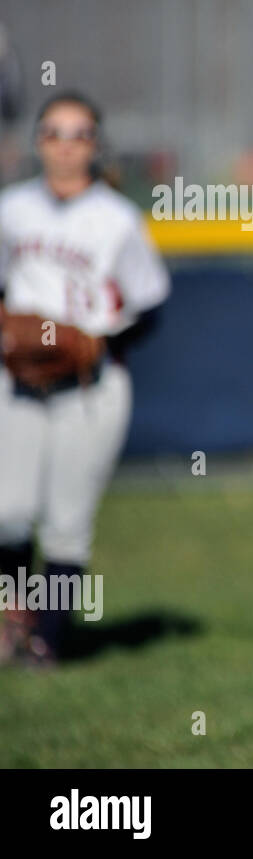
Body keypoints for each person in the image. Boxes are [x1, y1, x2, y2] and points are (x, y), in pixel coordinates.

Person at [0, 91, 170, 668]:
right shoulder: (13, 209)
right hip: (18, 382)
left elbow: (149, 304)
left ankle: (47, 642)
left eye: (78, 134)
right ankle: (13, 623)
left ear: (96, 146)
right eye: (53, 132)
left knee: (67, 527)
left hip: (90, 389)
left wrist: (95, 342)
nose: (65, 145)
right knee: (8, 513)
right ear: (38, 142)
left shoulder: (117, 219)